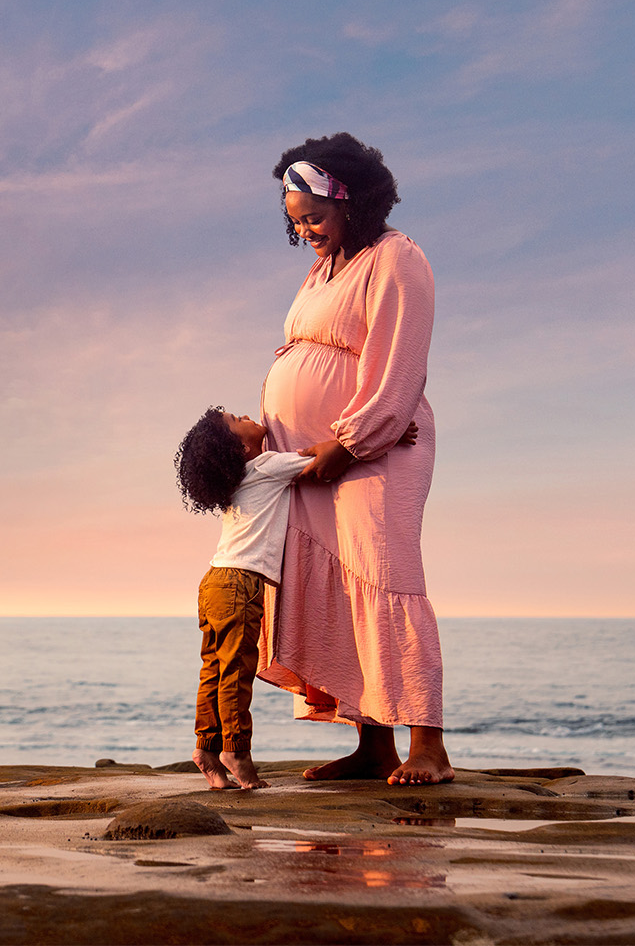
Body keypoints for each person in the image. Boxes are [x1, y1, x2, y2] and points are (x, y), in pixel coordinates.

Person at [258, 132, 455, 786]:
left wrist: (351, 442)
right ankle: (374, 746)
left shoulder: (397, 259)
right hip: (315, 462)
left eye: (314, 216)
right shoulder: (324, 270)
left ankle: (429, 746)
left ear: (353, 201)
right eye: (296, 221)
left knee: (387, 581)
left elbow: (401, 364)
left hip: (371, 451)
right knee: (345, 589)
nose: (305, 231)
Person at [174, 407, 417, 790]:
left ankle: (206, 748)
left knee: (214, 670)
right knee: (236, 672)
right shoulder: (266, 465)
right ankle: (235, 750)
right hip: (239, 584)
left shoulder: (237, 481)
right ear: (240, 449)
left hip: (214, 582)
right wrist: (384, 435)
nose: (245, 415)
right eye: (236, 420)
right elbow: (325, 461)